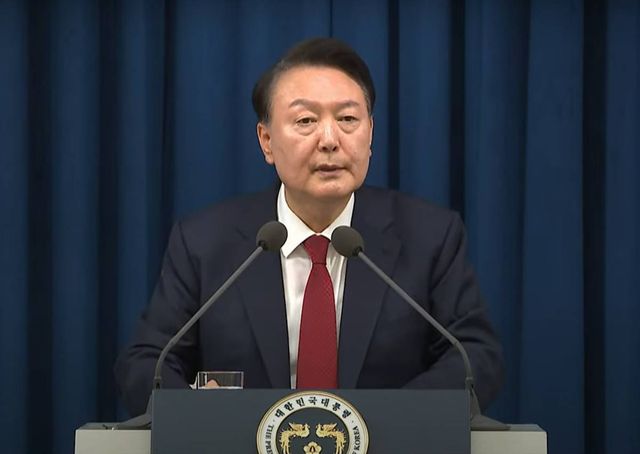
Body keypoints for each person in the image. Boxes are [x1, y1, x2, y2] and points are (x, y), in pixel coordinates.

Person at [114, 37, 504, 417]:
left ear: (370, 133)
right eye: (306, 121)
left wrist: (383, 423)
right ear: (267, 141)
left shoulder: (430, 236)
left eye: (348, 119)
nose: (330, 140)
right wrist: (202, 417)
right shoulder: (204, 242)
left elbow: (476, 357)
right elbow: (146, 363)